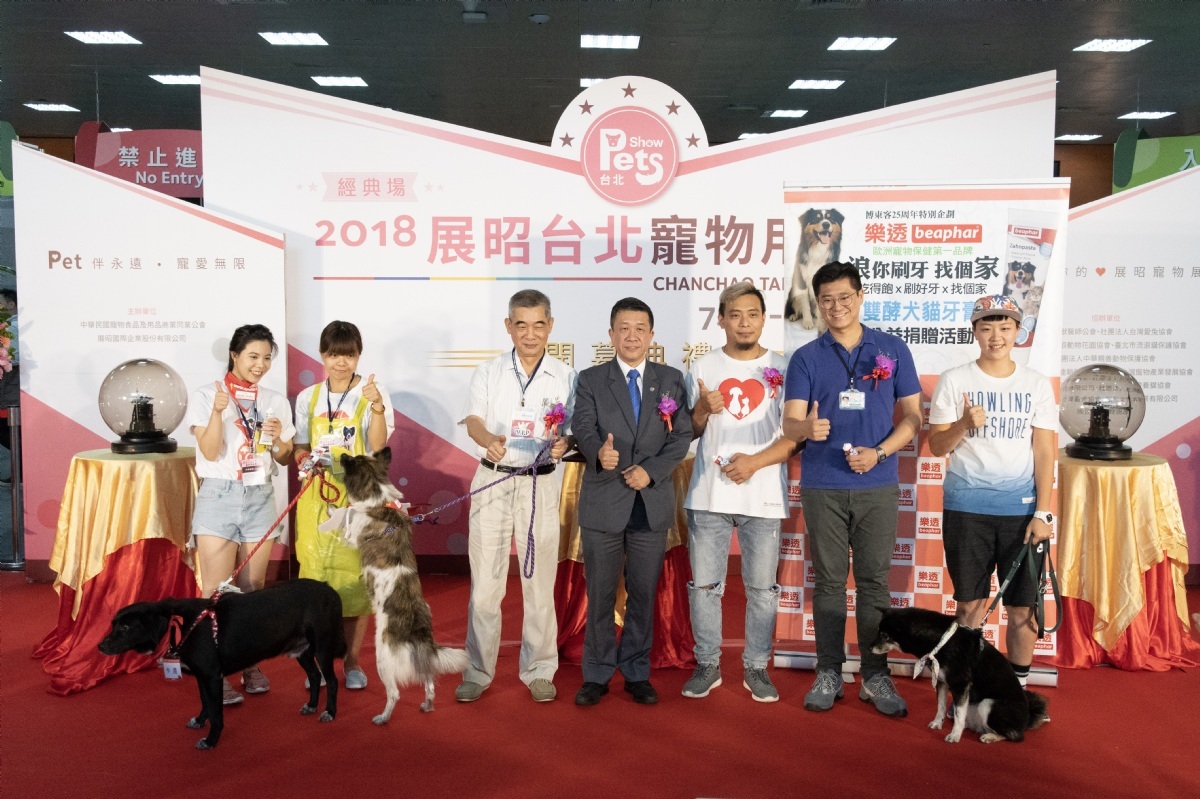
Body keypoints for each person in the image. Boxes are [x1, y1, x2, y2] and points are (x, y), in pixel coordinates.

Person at [781, 261, 922, 716]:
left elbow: (914, 417)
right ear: (817, 304)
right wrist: (806, 428)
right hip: (823, 484)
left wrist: (879, 453)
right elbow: (789, 422)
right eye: (826, 300)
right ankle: (829, 670)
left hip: (877, 484)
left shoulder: (892, 348)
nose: (836, 306)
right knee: (828, 583)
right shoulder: (806, 357)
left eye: (844, 297)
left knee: (874, 584)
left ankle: (875, 675)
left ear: (860, 297)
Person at [927, 294, 1056, 688]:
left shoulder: (1036, 384)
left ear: (1018, 331)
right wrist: (963, 424)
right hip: (967, 510)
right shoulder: (954, 380)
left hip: (1022, 514)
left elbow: (1045, 451)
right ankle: (966, 690)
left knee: (1023, 609)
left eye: (1005, 327)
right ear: (975, 332)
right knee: (969, 605)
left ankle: (1016, 694)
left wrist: (1043, 512)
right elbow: (937, 446)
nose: (996, 336)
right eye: (987, 327)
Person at [455, 290, 575, 703]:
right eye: (520, 324)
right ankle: (477, 670)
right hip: (493, 480)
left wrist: (565, 444)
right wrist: (488, 439)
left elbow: (573, 430)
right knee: (485, 585)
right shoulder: (488, 371)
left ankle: (540, 668)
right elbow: (473, 419)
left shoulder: (566, 376)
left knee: (539, 583)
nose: (530, 333)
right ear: (508, 326)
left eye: (538, 324)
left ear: (550, 326)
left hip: (541, 483)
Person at [572, 297, 692, 706]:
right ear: (611, 334)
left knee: (643, 593)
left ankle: (637, 671)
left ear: (652, 335)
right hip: (605, 500)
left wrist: (651, 471)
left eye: (640, 329)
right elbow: (582, 426)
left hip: (650, 502)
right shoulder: (591, 379)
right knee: (601, 594)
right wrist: (597, 452)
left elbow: (681, 436)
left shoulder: (671, 379)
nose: (632, 336)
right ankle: (597, 673)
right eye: (623, 328)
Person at [682, 282, 798, 702]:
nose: (744, 323)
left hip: (763, 495)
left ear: (764, 319)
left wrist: (754, 463)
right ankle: (707, 664)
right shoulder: (702, 365)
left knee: (762, 591)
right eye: (735, 315)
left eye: (752, 314)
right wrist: (701, 409)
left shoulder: (785, 367)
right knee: (704, 588)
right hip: (709, 495)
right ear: (721, 320)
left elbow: (795, 435)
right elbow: (688, 432)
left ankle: (756, 667)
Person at [187, 323, 295, 705]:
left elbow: (285, 456)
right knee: (215, 592)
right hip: (218, 495)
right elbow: (210, 450)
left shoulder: (274, 400)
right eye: (253, 356)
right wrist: (218, 413)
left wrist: (279, 439)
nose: (260, 364)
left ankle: (250, 665)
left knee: (252, 590)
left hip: (260, 496)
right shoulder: (207, 395)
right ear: (234, 355)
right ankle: (214, 672)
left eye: (266, 358)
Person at [293, 320, 395, 691]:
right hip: (315, 497)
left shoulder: (372, 393)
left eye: (348, 355)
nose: (341, 363)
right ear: (322, 355)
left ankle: (352, 662)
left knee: (354, 581)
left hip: (357, 496)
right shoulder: (308, 398)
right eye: (334, 355)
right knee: (315, 579)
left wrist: (377, 406)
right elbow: (300, 445)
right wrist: (303, 459)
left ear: (358, 356)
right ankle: (320, 664)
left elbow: (378, 446)